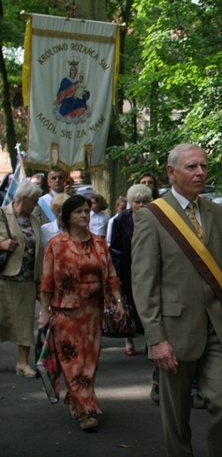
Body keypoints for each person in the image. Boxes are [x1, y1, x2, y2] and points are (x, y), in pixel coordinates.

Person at [131, 143, 222, 457]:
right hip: (175, 331)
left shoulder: (217, 213)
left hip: (219, 327)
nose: (200, 173)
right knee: (177, 416)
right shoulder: (152, 217)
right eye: (192, 167)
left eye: (204, 166)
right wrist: (155, 338)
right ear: (171, 172)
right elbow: (144, 283)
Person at [38, 195, 125, 431]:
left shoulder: (99, 243)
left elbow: (111, 275)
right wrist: (43, 312)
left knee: (89, 361)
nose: (84, 215)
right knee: (72, 361)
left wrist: (118, 302)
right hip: (64, 311)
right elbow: (46, 282)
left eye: (86, 211)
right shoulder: (56, 245)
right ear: (67, 217)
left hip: (93, 312)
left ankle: (77, 401)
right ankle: (86, 410)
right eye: (78, 212)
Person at [0, 182, 43, 378]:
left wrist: (40, 278)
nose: (36, 205)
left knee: (25, 322)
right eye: (34, 200)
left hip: (27, 278)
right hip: (3, 276)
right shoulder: (2, 214)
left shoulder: (34, 220)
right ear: (23, 199)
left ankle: (23, 363)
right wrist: (2, 243)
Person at [110, 185, 152, 356]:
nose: (140, 205)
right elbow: (115, 249)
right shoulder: (121, 220)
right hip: (128, 268)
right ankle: (129, 339)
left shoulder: (155, 218)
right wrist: (117, 274)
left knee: (149, 304)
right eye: (137, 202)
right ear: (130, 203)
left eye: (144, 202)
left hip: (148, 268)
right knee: (129, 304)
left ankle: (151, 339)